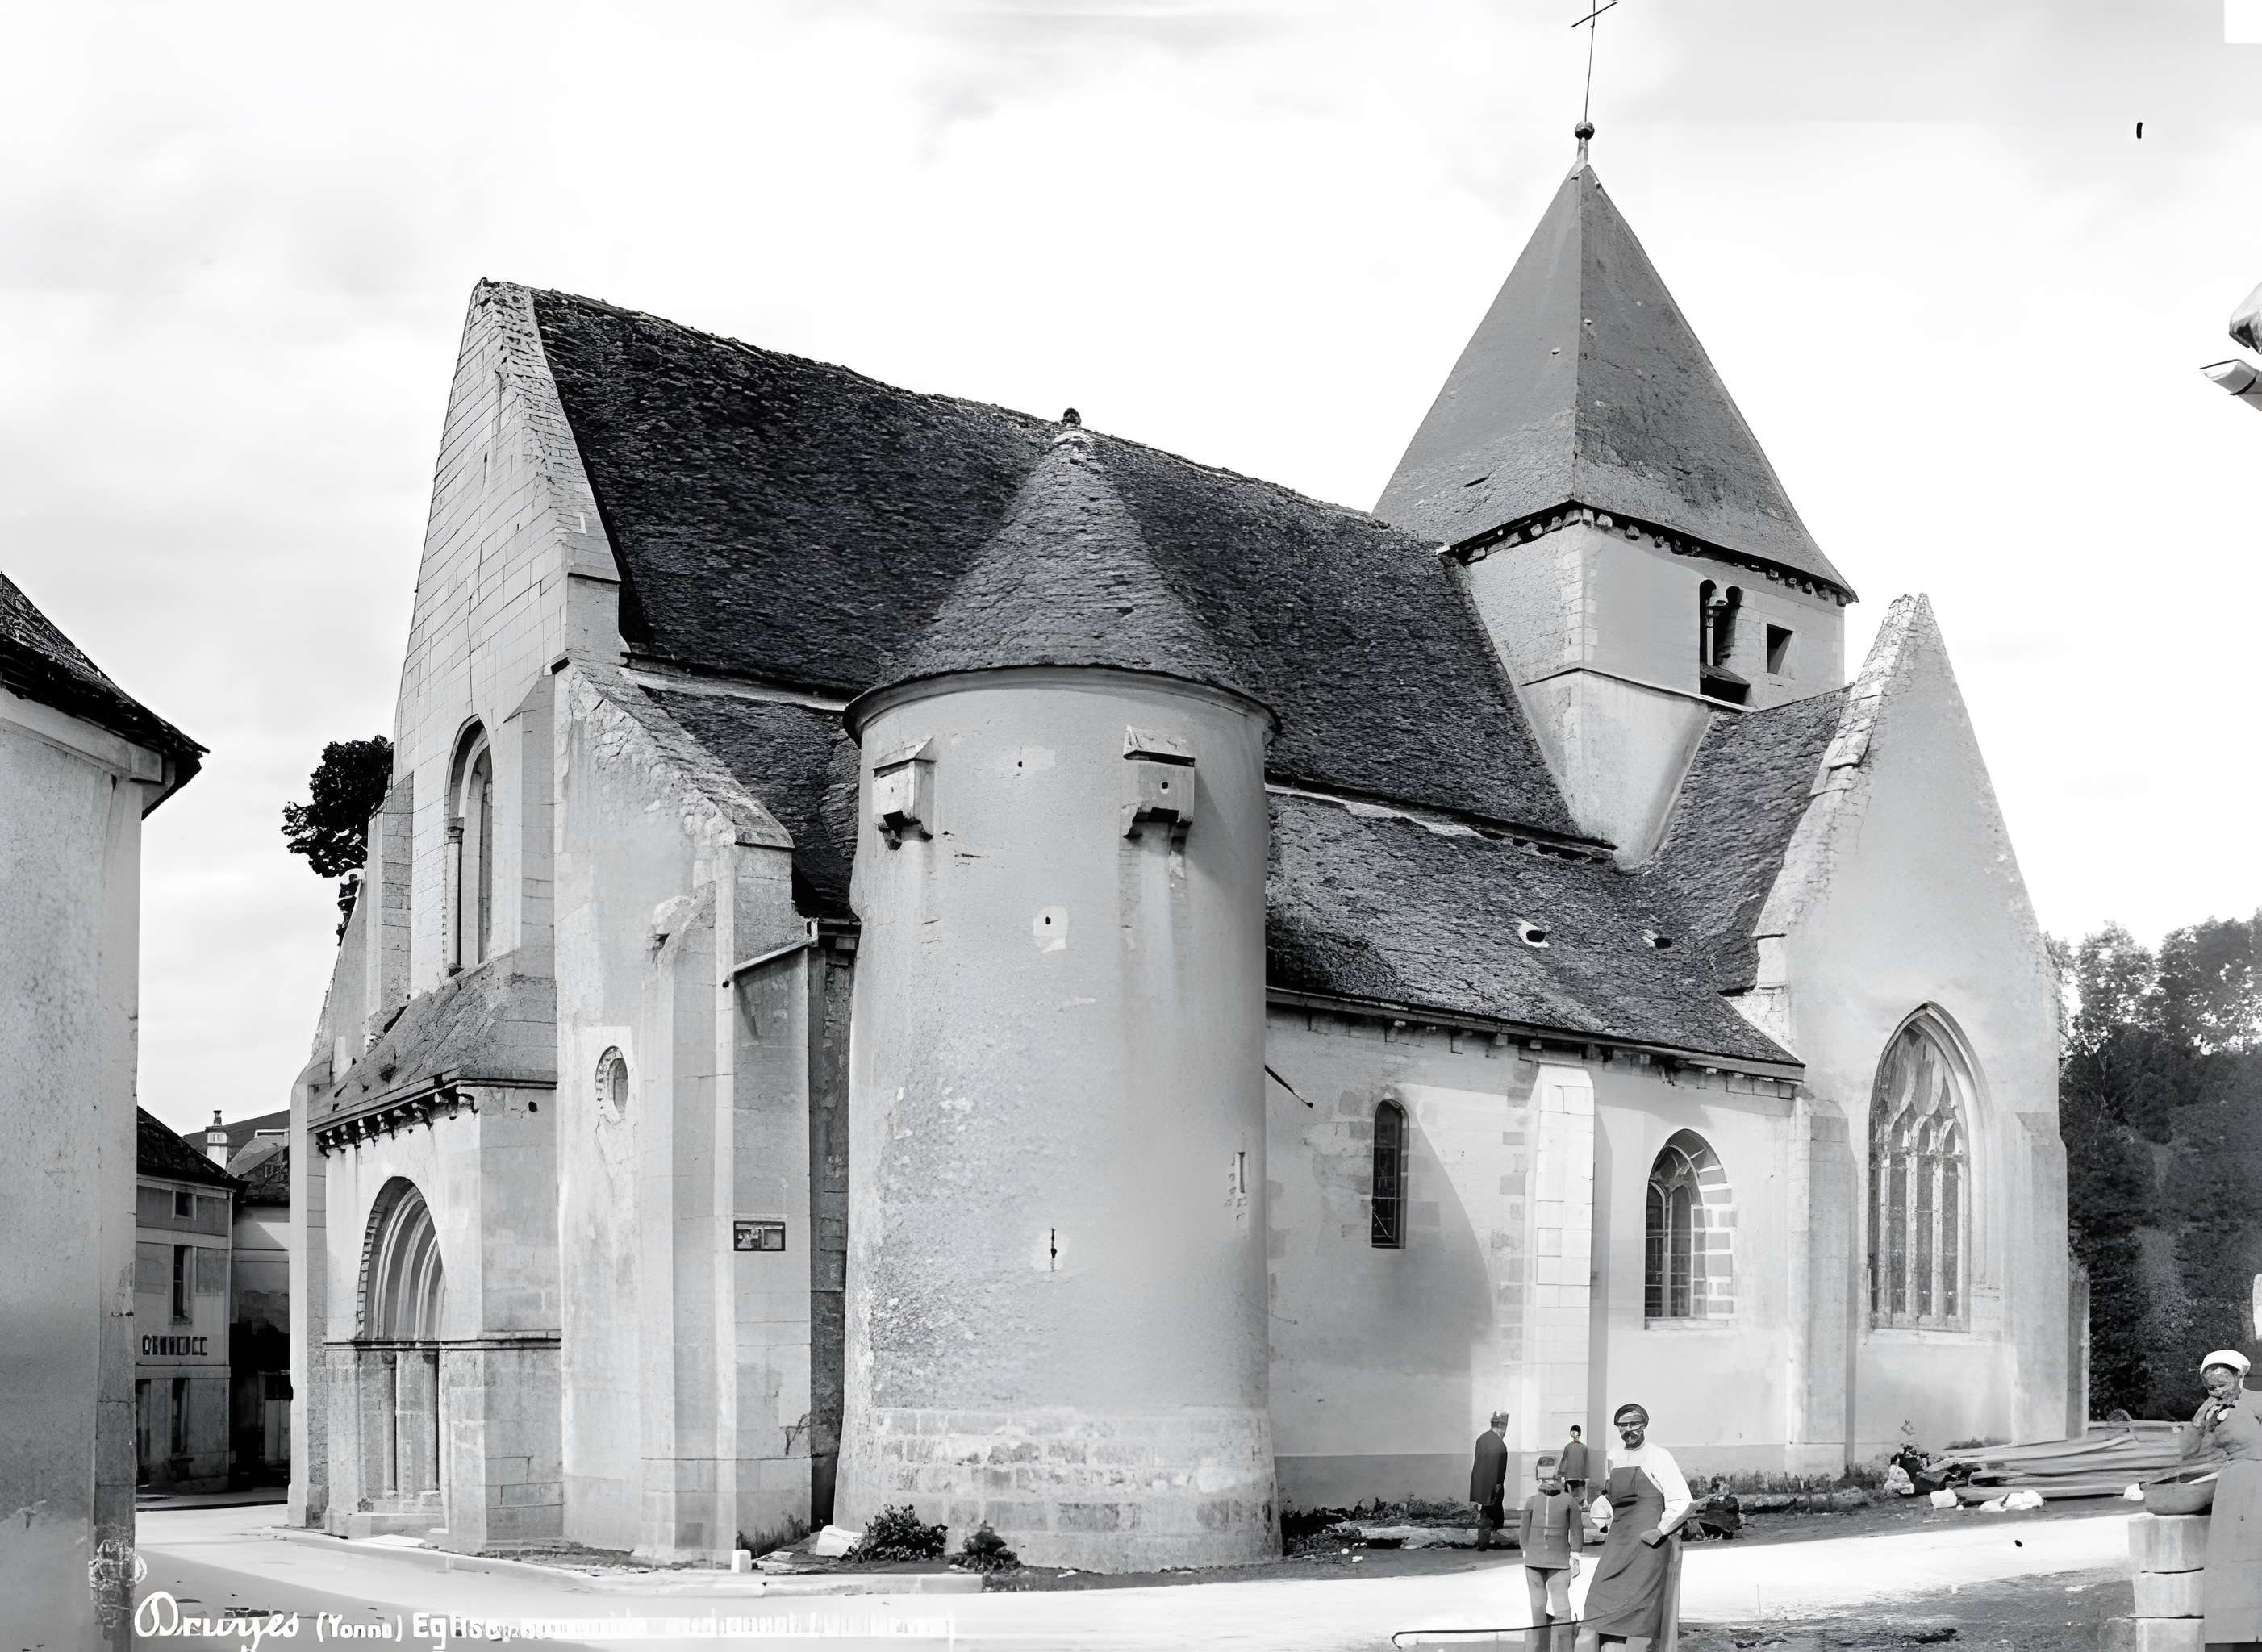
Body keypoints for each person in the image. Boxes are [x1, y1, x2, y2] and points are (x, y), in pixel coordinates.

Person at [1576, 1402, 1692, 1651]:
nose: (1629, 1430)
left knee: (1639, 1616)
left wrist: (1661, 1530)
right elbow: (1609, 1497)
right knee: (1599, 1604)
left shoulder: (1659, 1456)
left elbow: (1681, 1500)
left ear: (1644, 1425)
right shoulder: (1613, 1456)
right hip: (1617, 1543)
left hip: (1648, 1546)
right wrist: (1602, 1514)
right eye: (1623, 1426)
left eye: (1634, 1424)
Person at [2181, 1349, 2262, 1646]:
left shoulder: (2257, 1401)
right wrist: (2201, 1417)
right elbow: (2186, 1452)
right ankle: (2234, 1634)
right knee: (2231, 1561)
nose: (2217, 1391)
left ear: (2240, 1376)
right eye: (2210, 1387)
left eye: (2222, 1384)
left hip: (2259, 1485)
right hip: (2232, 1489)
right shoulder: (2210, 1411)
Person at [1520, 1465, 1586, 1652]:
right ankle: (1554, 1646)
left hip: (1547, 1561)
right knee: (1545, 1607)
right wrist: (1575, 1554)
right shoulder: (1568, 1501)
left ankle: (1550, 1646)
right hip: (1547, 1561)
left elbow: (1575, 1529)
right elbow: (1576, 1529)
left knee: (1552, 1606)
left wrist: (1575, 1554)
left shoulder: (1536, 1501)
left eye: (1549, 1479)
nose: (1547, 1483)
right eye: (1544, 1479)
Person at [1470, 1409, 1510, 1552]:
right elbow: (1499, 1471)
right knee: (1490, 1516)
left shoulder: (1481, 1439)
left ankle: (1486, 1540)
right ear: (1503, 1427)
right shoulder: (1500, 1446)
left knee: (1486, 1513)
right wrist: (1497, 1487)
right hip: (1494, 1486)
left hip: (1480, 1484)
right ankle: (1485, 1542)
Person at [1560, 1424, 1592, 1503]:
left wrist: (1587, 1476)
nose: (1574, 1435)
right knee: (1575, 1498)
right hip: (1573, 1477)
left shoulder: (1582, 1448)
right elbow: (1564, 1461)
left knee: (1577, 1498)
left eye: (1575, 1433)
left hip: (1577, 1477)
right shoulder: (1569, 1447)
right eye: (1573, 1433)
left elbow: (1587, 1462)